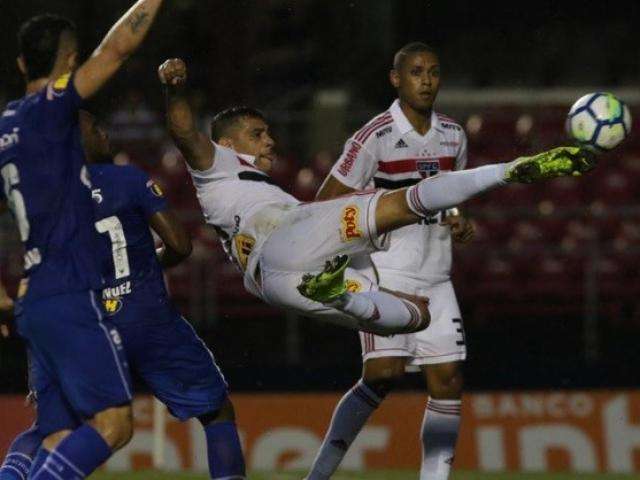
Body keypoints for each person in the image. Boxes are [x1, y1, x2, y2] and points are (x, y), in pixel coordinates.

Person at [158, 57, 595, 337]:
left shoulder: (251, 185)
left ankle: (340, 294)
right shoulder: (215, 165)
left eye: (269, 132)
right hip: (287, 236)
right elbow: (183, 131)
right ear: (228, 144)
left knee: (415, 317)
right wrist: (176, 88)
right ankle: (509, 171)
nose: (270, 141)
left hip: (273, 284)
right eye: (258, 134)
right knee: (403, 203)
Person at [0, 111, 247, 480]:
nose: (104, 132)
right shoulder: (127, 179)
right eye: (96, 128)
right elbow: (180, 245)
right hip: (146, 318)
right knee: (216, 412)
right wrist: (145, 264)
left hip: (79, 324)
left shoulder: (42, 198)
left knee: (48, 430)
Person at [0, 3, 164, 478]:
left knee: (56, 433)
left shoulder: (6, 126)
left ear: (19, 64)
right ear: (69, 62)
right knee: (114, 424)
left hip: (36, 298)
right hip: (69, 289)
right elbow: (116, 50)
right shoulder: (50, 110)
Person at [309, 42, 471, 480]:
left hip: (437, 275)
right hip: (386, 272)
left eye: (434, 72)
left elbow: (452, 194)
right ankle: (318, 475)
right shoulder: (373, 137)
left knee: (448, 379)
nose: (427, 81)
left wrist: (458, 218)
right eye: (417, 72)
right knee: (383, 374)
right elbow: (325, 203)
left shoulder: (454, 135)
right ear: (396, 79)